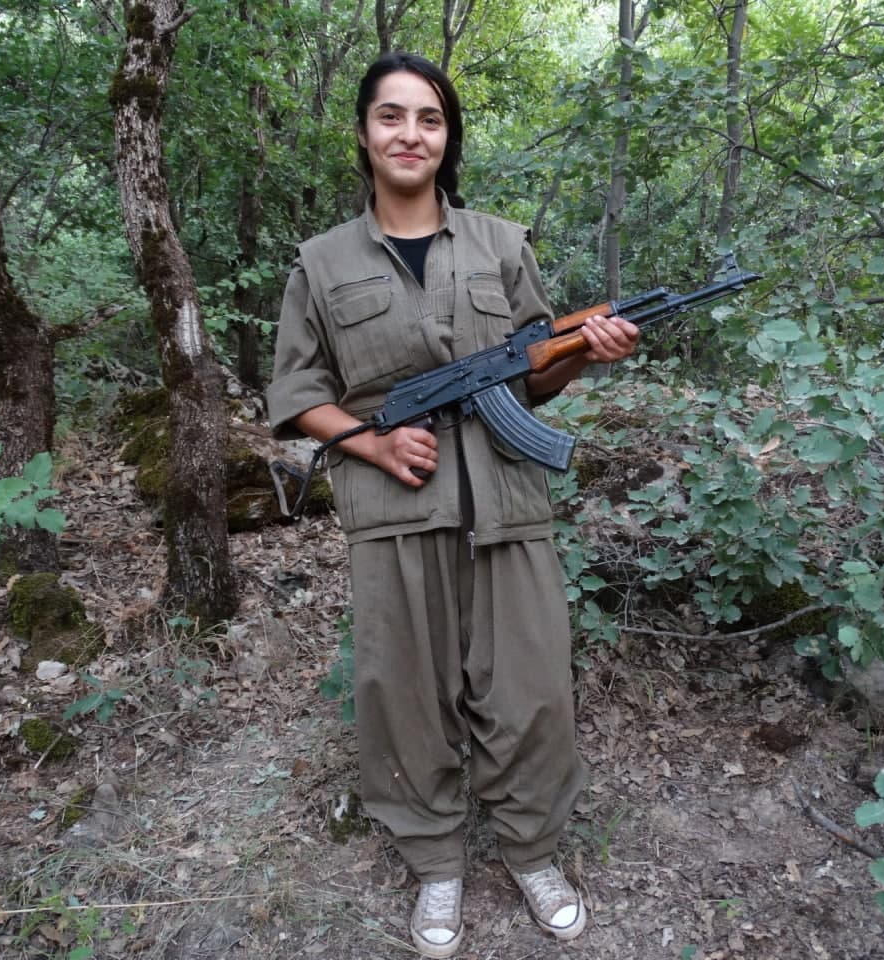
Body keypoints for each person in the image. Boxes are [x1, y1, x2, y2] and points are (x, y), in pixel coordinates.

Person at [265, 52, 639, 958]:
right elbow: (297, 392)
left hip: (507, 496)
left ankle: (532, 849)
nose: (410, 134)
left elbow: (536, 374)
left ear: (448, 138)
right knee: (403, 692)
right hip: (394, 504)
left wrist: (583, 351)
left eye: (429, 119)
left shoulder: (501, 244)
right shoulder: (321, 262)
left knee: (531, 687)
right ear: (364, 134)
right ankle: (435, 859)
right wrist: (372, 442)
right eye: (391, 116)